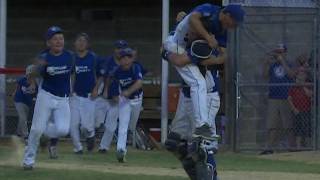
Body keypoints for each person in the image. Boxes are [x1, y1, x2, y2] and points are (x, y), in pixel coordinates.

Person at [162, 4, 245, 140]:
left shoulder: (217, 33)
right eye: (235, 22)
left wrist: (213, 59)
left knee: (199, 83)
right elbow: (193, 19)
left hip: (185, 49)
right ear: (228, 15)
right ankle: (201, 125)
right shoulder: (210, 11)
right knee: (198, 83)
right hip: (176, 46)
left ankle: (201, 126)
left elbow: (224, 56)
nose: (235, 26)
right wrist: (208, 38)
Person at [22, 26, 73, 170]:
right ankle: (28, 160)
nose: (59, 41)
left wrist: (71, 89)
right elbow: (31, 74)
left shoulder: (69, 56)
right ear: (48, 42)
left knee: (63, 130)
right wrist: (33, 77)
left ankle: (46, 134)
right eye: (55, 39)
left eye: (61, 38)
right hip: (46, 96)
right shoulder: (44, 58)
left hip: (63, 98)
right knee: (36, 129)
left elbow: (72, 73)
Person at [107, 47, 143, 163]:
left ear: (132, 59)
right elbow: (112, 87)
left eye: (128, 57)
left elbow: (139, 83)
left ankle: (124, 143)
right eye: (123, 58)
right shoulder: (117, 71)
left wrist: (128, 91)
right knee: (123, 125)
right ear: (120, 60)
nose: (126, 60)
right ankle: (121, 150)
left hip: (137, 99)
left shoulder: (135, 67)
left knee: (131, 126)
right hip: (125, 101)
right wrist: (115, 96)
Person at [261, 43, 295, 155]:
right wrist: (266, 63)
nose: (278, 54)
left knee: (288, 124)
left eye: (281, 52)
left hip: (286, 97)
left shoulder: (289, 63)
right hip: (273, 97)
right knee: (272, 124)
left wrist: (282, 62)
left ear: (285, 53)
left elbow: (291, 75)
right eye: (277, 52)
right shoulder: (273, 65)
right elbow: (265, 76)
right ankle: (269, 147)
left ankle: (292, 147)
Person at [69, 33, 100, 154]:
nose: (81, 43)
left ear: (88, 44)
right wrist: (70, 89)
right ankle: (78, 148)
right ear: (75, 44)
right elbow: (71, 74)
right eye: (78, 40)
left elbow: (99, 75)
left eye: (83, 41)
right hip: (75, 96)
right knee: (73, 125)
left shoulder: (93, 58)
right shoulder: (72, 58)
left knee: (86, 127)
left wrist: (96, 89)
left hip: (89, 97)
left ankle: (91, 135)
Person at [98, 40, 128, 153]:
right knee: (95, 122)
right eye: (118, 48)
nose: (120, 50)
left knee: (111, 125)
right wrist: (104, 90)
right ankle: (91, 136)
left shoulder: (128, 63)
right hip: (104, 98)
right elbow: (105, 77)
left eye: (122, 48)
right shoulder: (108, 61)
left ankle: (103, 147)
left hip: (118, 100)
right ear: (114, 49)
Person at [288, 71, 312, 149]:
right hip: (297, 111)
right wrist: (294, 109)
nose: (300, 77)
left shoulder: (308, 86)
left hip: (306, 110)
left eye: (302, 75)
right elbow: (289, 99)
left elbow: (309, 94)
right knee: (298, 129)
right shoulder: (294, 87)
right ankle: (298, 147)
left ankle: (308, 147)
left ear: (305, 77)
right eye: (298, 76)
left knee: (307, 128)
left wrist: (303, 85)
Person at [13, 65, 37, 142]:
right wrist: (14, 92)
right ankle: (26, 136)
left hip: (28, 103)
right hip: (19, 100)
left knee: (23, 119)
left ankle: (18, 134)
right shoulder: (22, 79)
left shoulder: (36, 83)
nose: (30, 75)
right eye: (29, 74)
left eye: (32, 74)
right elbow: (18, 85)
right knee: (23, 117)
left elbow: (35, 93)